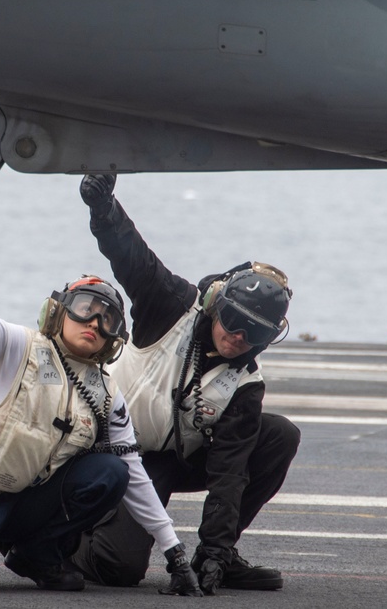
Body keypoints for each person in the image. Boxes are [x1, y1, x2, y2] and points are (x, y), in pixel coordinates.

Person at [0, 209, 202, 595]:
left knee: (111, 471)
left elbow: (134, 473)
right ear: (58, 312)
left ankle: (37, 553)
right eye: (85, 310)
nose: (94, 324)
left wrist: (175, 552)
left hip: (28, 500)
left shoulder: (107, 394)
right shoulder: (17, 348)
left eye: (108, 319)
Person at [70, 175, 301, 594]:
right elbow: (132, 257)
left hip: (180, 458)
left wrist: (214, 550)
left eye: (256, 335)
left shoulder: (246, 383)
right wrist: (103, 208)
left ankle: (222, 558)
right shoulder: (171, 304)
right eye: (233, 323)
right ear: (217, 306)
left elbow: (229, 473)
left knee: (280, 435)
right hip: (114, 450)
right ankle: (58, 543)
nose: (238, 339)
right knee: (116, 568)